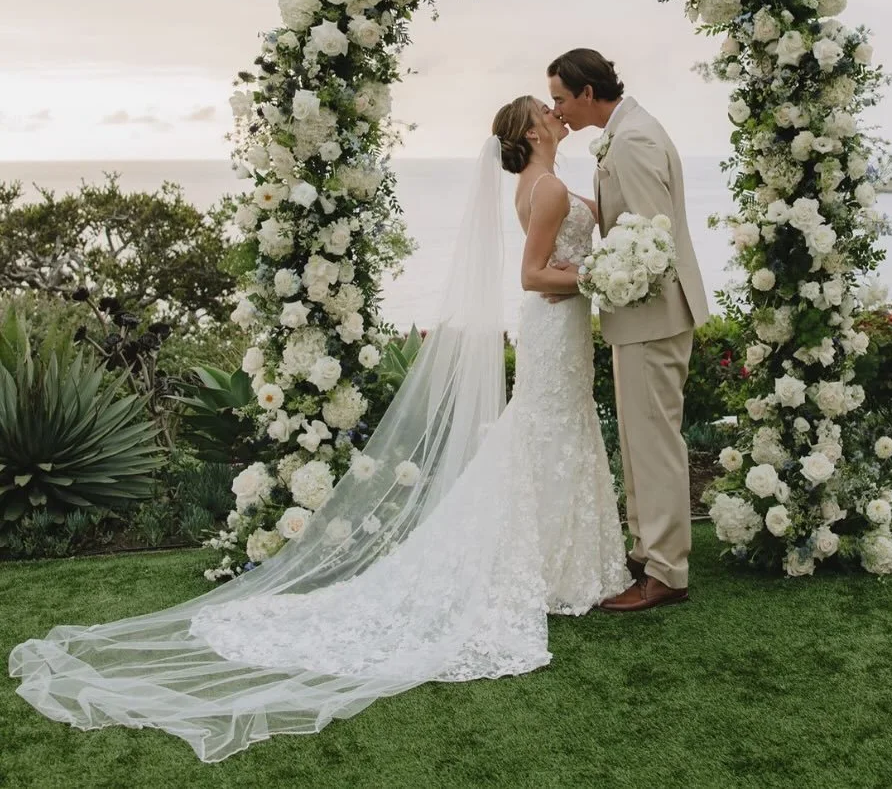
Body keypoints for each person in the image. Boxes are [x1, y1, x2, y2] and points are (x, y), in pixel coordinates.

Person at [9, 98, 627, 763]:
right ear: (531, 130)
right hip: (554, 324)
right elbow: (535, 275)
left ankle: (555, 564)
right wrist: (597, 274)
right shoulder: (548, 186)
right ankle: (552, 568)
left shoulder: (537, 183)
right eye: (545, 109)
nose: (556, 112)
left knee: (546, 434)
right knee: (544, 430)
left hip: (557, 333)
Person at [548, 49, 709, 612]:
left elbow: (651, 242)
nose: (557, 110)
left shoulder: (633, 140)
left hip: (652, 317)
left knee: (654, 443)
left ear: (588, 93)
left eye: (561, 99)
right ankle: (647, 551)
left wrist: (586, 276)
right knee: (642, 440)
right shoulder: (626, 131)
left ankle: (666, 571)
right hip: (641, 317)